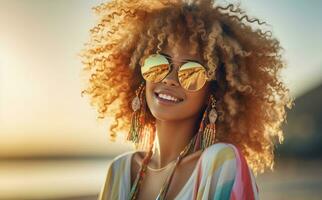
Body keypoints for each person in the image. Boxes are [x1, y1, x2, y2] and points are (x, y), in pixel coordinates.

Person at [79, 0, 293, 199]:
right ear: (140, 74)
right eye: (158, 64)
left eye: (192, 72)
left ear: (214, 91)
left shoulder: (221, 163)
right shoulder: (119, 171)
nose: (170, 79)